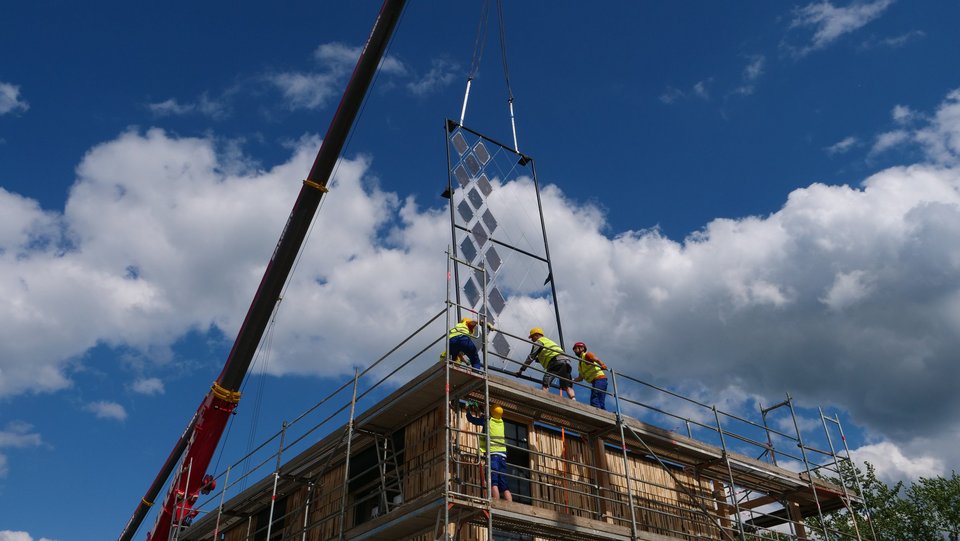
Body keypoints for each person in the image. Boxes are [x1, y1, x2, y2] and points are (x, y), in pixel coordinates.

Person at [466, 404, 512, 501]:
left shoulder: (487, 421)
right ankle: (510, 504)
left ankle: (495, 503)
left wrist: (467, 411)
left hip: (493, 455)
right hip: (503, 455)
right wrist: (482, 410)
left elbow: (472, 420)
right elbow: (487, 418)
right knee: (504, 485)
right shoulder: (501, 422)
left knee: (493, 482)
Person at [515, 327, 575, 399]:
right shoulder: (548, 341)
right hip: (566, 361)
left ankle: (543, 397)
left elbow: (531, 357)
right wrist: (539, 359)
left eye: (532, 337)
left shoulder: (539, 341)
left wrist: (521, 370)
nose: (532, 340)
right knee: (567, 385)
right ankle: (573, 400)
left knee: (546, 382)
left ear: (536, 335)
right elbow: (548, 353)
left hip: (556, 361)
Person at [573, 342, 608, 410]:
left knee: (595, 399)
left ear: (582, 348)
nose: (575, 351)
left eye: (575, 348)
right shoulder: (580, 364)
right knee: (599, 401)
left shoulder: (587, 355)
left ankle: (598, 416)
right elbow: (580, 378)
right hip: (597, 381)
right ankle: (603, 414)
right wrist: (571, 380)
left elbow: (596, 359)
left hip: (599, 379)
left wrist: (602, 364)